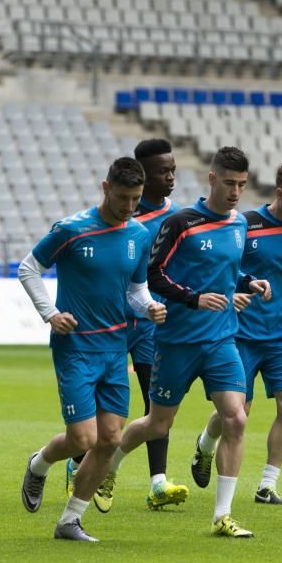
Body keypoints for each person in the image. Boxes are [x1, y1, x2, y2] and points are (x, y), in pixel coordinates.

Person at [102, 147, 271, 538]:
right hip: (177, 341)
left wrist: (250, 282)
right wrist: (193, 298)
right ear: (212, 179)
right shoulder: (181, 222)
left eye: (242, 185)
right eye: (229, 183)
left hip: (222, 339)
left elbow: (231, 271)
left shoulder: (239, 224)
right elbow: (152, 274)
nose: (235, 192)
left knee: (236, 416)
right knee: (157, 423)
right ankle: (109, 467)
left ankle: (222, 515)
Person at [19, 157, 166, 543]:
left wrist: (148, 307)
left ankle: (70, 520)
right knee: (82, 440)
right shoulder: (71, 229)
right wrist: (50, 313)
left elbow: (135, 291)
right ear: (105, 187)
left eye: (136, 199)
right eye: (122, 197)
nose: (129, 206)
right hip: (76, 348)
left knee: (111, 440)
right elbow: (28, 268)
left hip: (115, 349)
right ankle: (39, 464)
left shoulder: (138, 234)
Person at [66, 139, 189, 511]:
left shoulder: (180, 216)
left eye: (173, 170)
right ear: (142, 175)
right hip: (111, 324)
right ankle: (79, 462)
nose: (170, 177)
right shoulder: (122, 221)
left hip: (151, 322)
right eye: (161, 172)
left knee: (157, 399)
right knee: (105, 413)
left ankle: (157, 482)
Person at [192, 161, 282, 506]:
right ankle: (205, 442)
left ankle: (267, 485)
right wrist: (240, 289)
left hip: (281, 335)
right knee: (236, 414)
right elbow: (225, 266)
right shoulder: (244, 224)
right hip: (241, 334)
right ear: (280, 194)